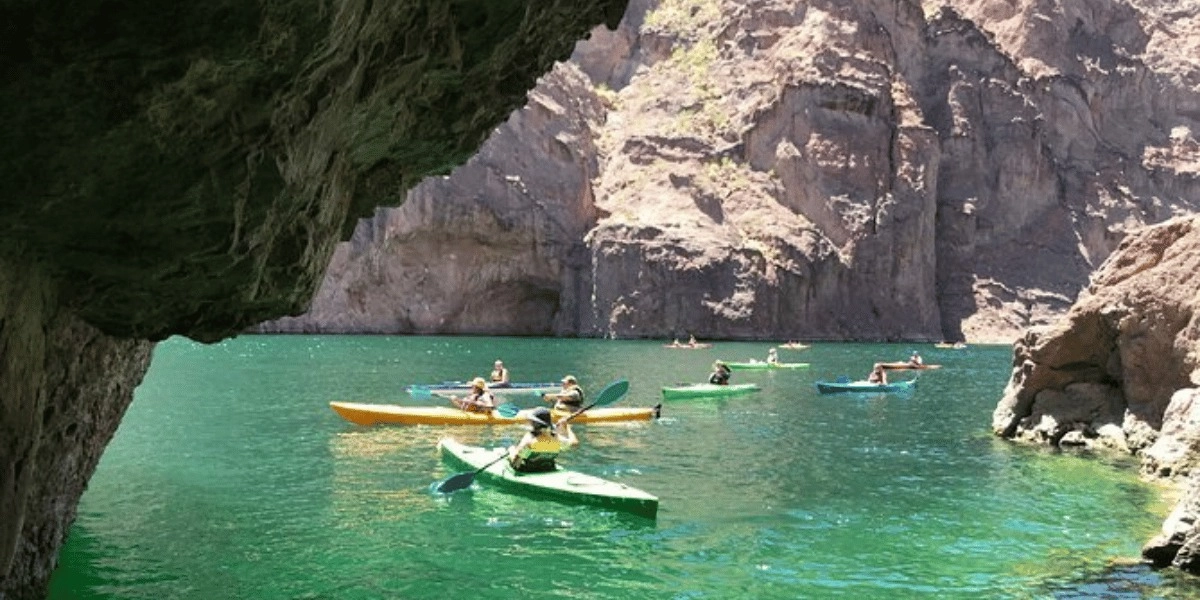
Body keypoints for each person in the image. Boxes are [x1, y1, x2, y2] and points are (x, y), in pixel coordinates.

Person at [507, 407, 579, 473]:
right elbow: (574, 443)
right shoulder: (556, 439)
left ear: (535, 424)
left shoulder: (530, 440)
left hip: (529, 471)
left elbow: (515, 462)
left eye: (532, 421)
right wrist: (567, 427)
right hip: (548, 469)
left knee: (512, 448)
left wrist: (511, 451)